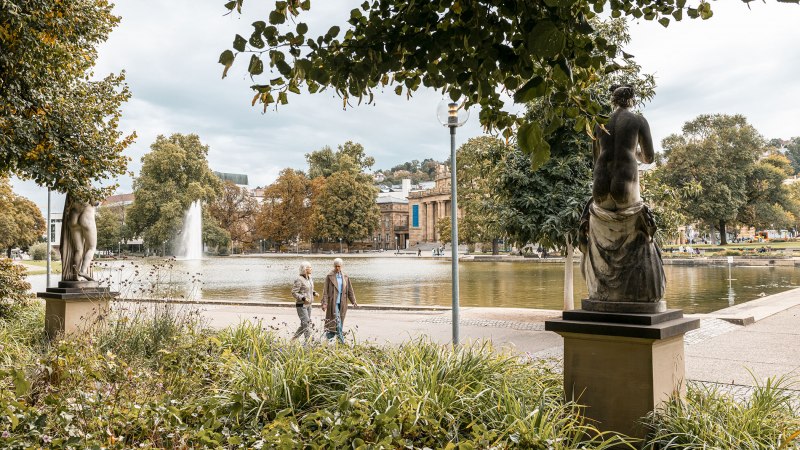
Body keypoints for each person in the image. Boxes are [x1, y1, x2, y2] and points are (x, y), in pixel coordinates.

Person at [579, 84, 665, 304]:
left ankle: (602, 290)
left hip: (600, 187)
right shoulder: (638, 121)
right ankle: (636, 291)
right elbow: (649, 157)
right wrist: (631, 149)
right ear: (632, 100)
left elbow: (595, 157)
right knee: (640, 232)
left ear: (613, 100)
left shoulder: (599, 122)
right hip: (625, 186)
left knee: (603, 215)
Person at [60, 193, 98, 282]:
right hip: (86, 217)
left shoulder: (72, 189)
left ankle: (75, 276)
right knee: (92, 247)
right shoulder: (88, 187)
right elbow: (94, 202)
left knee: (79, 249)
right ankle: (83, 271)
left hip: (73, 217)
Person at [321, 258, 358, 343]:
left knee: (338, 322)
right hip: (332, 302)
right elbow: (325, 291)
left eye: (339, 266)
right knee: (336, 321)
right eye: (336, 266)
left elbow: (350, 290)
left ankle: (328, 340)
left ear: (342, 266)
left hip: (342, 303)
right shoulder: (329, 276)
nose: (337, 268)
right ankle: (341, 341)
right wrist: (324, 303)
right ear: (334, 266)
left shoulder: (345, 276)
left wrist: (353, 301)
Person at [291, 261, 317, 342]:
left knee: (304, 323)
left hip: (309, 304)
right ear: (305, 269)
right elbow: (294, 292)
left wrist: (314, 293)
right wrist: (303, 298)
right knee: (306, 323)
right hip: (301, 305)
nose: (311, 269)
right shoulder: (299, 279)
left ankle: (294, 339)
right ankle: (308, 341)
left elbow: (308, 290)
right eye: (309, 267)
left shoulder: (309, 278)